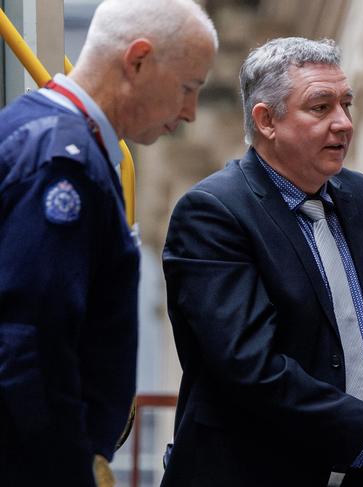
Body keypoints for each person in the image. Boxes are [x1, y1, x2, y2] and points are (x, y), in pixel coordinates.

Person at [161, 37, 363, 487]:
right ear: (266, 121)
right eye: (321, 108)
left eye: (347, 104)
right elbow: (250, 368)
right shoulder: (212, 213)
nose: (343, 123)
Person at [0, 1, 217, 485]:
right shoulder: (64, 162)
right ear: (137, 60)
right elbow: (28, 343)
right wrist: (66, 467)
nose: (190, 112)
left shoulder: (46, 135)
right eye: (187, 87)